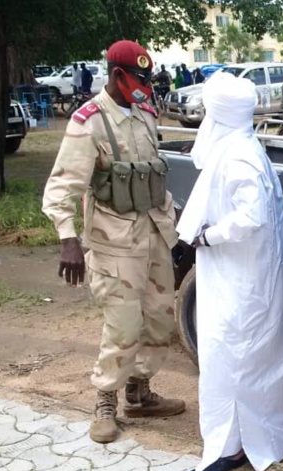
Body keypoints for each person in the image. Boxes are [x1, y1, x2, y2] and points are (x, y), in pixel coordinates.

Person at [42, 40, 185, 444]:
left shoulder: (145, 113)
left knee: (158, 318)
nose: (146, 86)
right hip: (114, 240)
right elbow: (62, 186)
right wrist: (68, 239)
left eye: (148, 79)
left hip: (154, 231)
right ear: (118, 75)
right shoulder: (89, 121)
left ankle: (139, 393)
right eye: (139, 79)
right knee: (123, 325)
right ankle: (105, 399)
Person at [175, 71, 283, 471]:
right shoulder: (244, 144)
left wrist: (207, 236)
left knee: (228, 357)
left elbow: (249, 216)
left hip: (241, 279)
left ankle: (230, 448)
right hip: (252, 272)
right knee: (266, 354)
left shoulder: (236, 156)